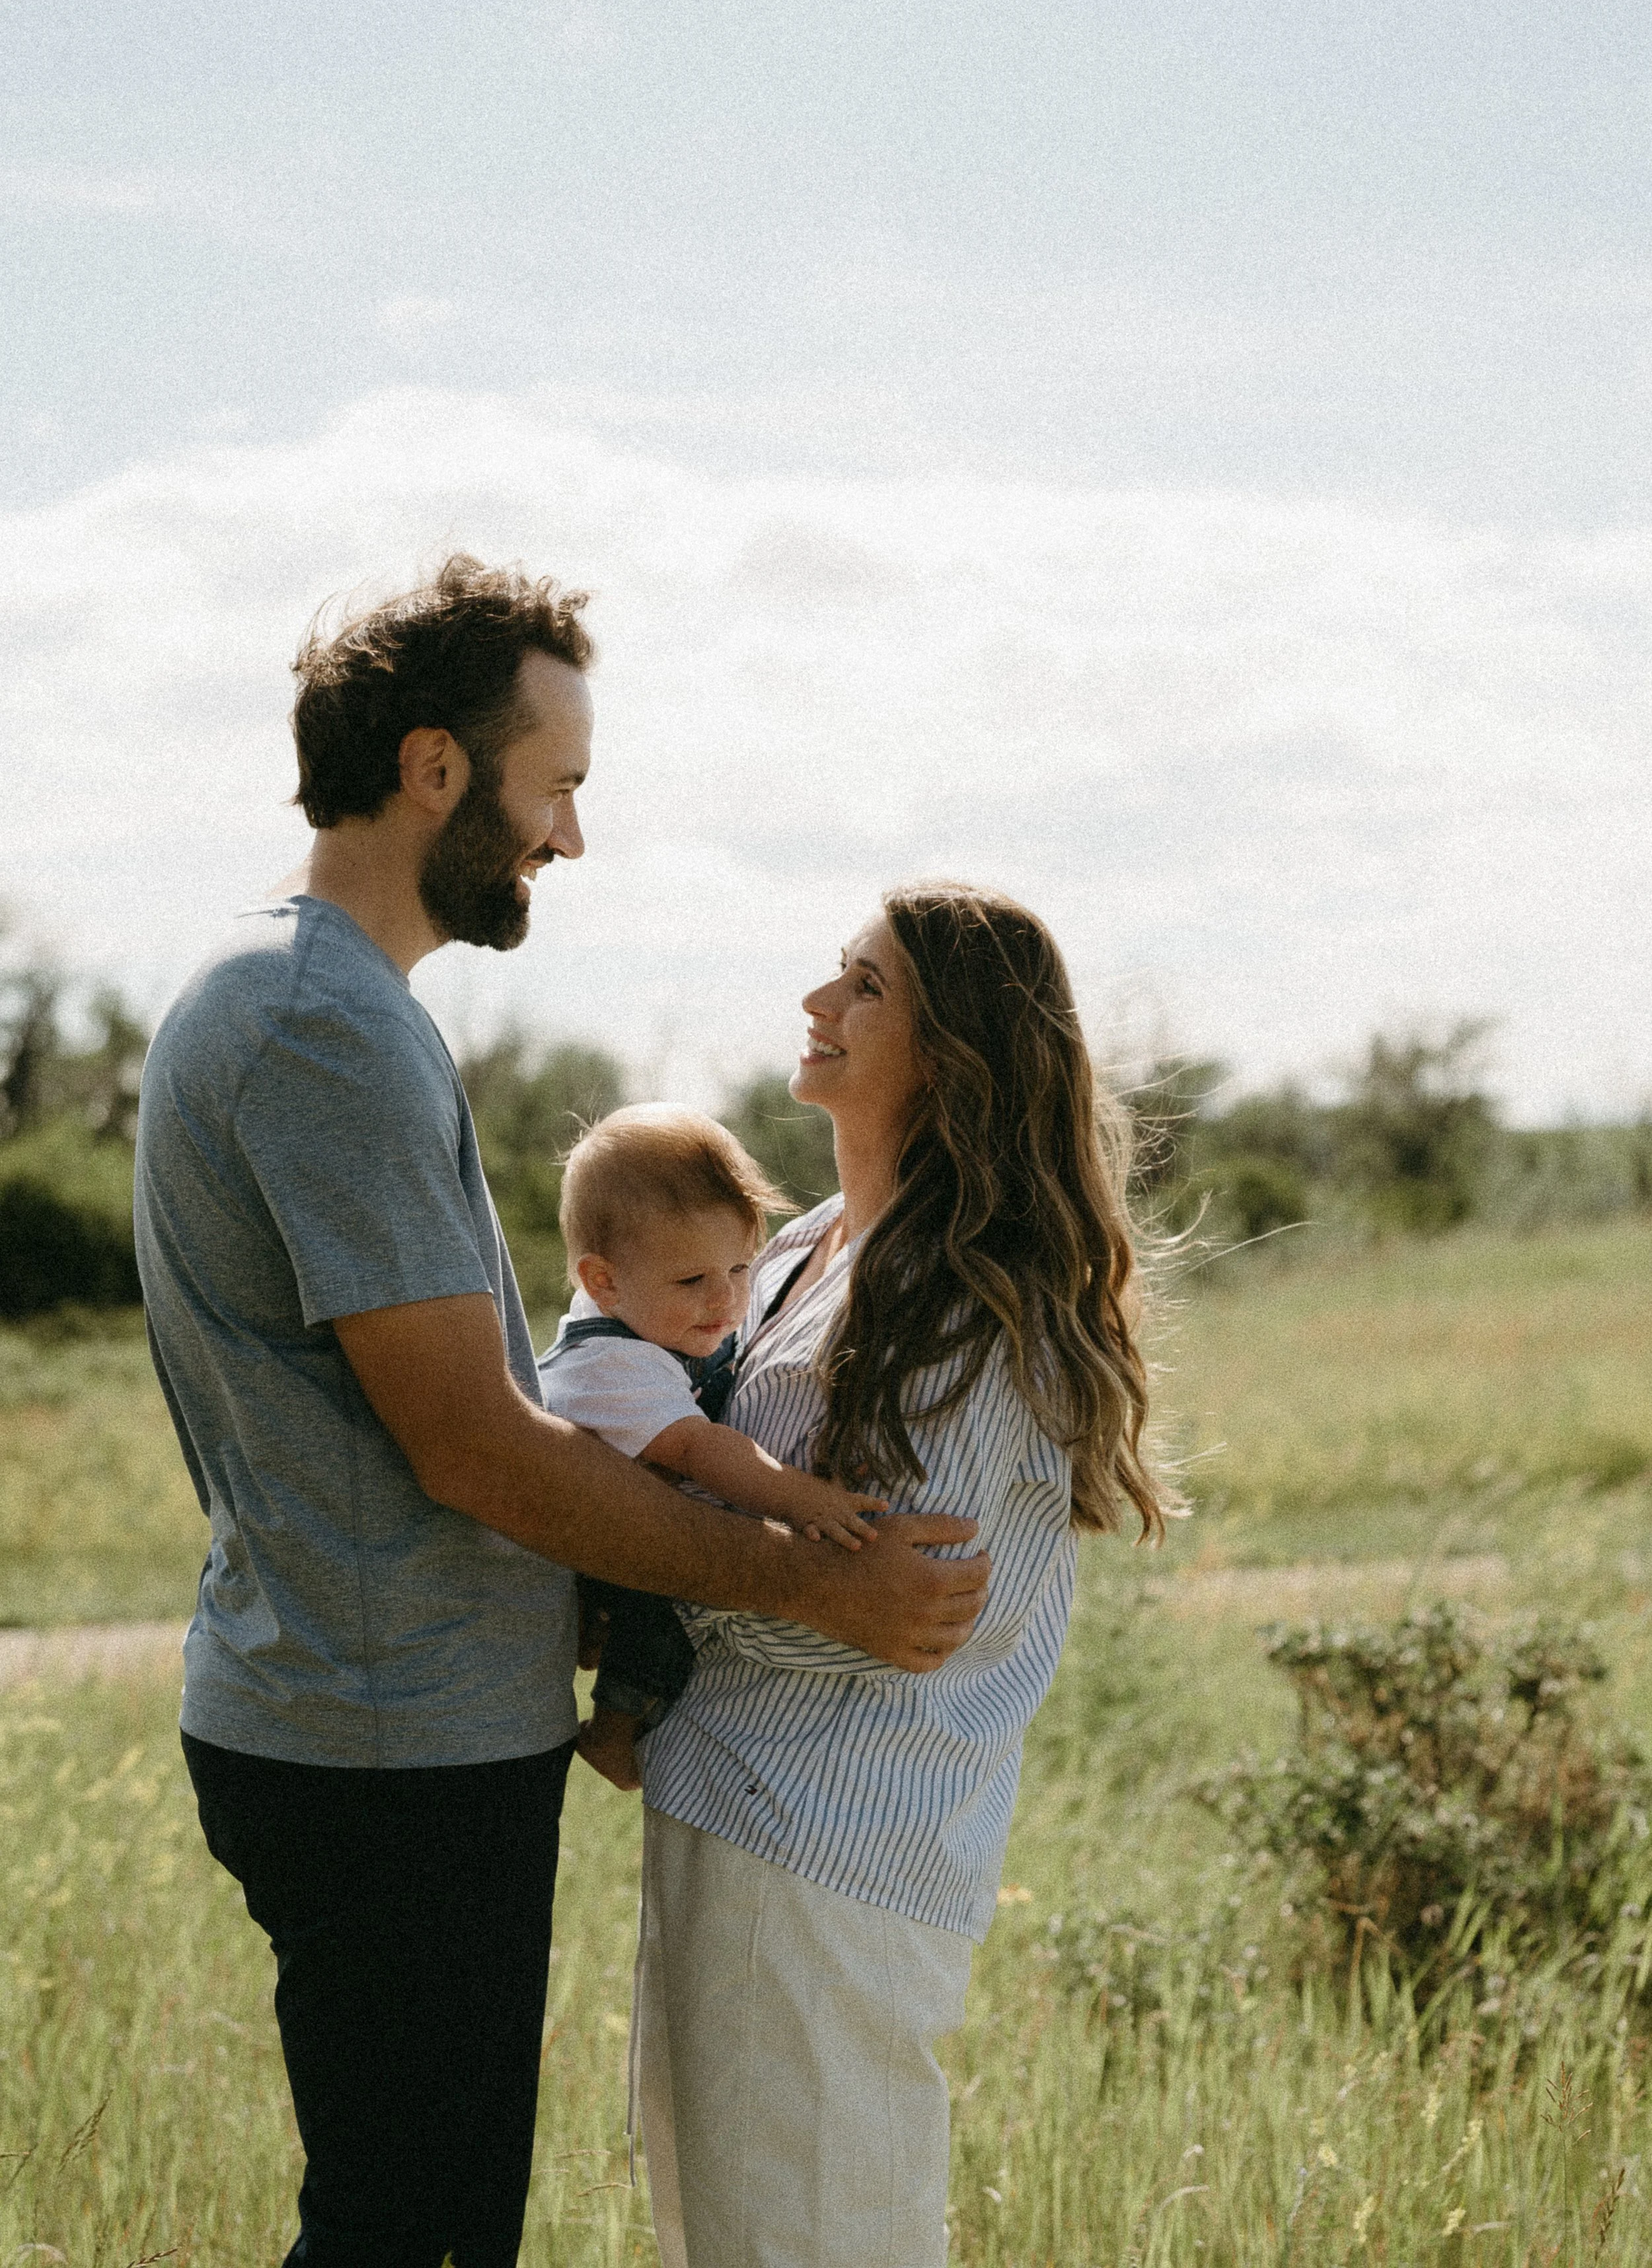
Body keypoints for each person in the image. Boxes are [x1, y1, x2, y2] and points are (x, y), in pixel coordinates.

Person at [133, 556, 989, 2268]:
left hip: (375, 1720)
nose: (570, 838)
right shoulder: (322, 1028)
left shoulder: (305, 995)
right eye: (559, 786)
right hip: (388, 1747)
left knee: (408, 2222)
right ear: (438, 769)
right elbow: (473, 1447)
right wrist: (808, 1577)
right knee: (416, 2239)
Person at [632, 880, 1172, 2268]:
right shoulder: (804, 1246)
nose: (817, 1004)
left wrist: (631, 1583)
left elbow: (901, 1607)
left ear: (957, 1054)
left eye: (864, 988)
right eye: (835, 973)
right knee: (721, 2238)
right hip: (720, 1806)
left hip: (828, 1855)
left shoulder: (965, 1297)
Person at [539, 1104, 883, 1790]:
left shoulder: (659, 1315)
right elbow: (703, 1451)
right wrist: (800, 1498)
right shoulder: (607, 1363)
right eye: (693, 1281)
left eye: (739, 1267)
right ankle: (611, 1733)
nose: (724, 1300)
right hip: (584, 1542)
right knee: (658, 1623)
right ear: (601, 1280)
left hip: (617, 1519)